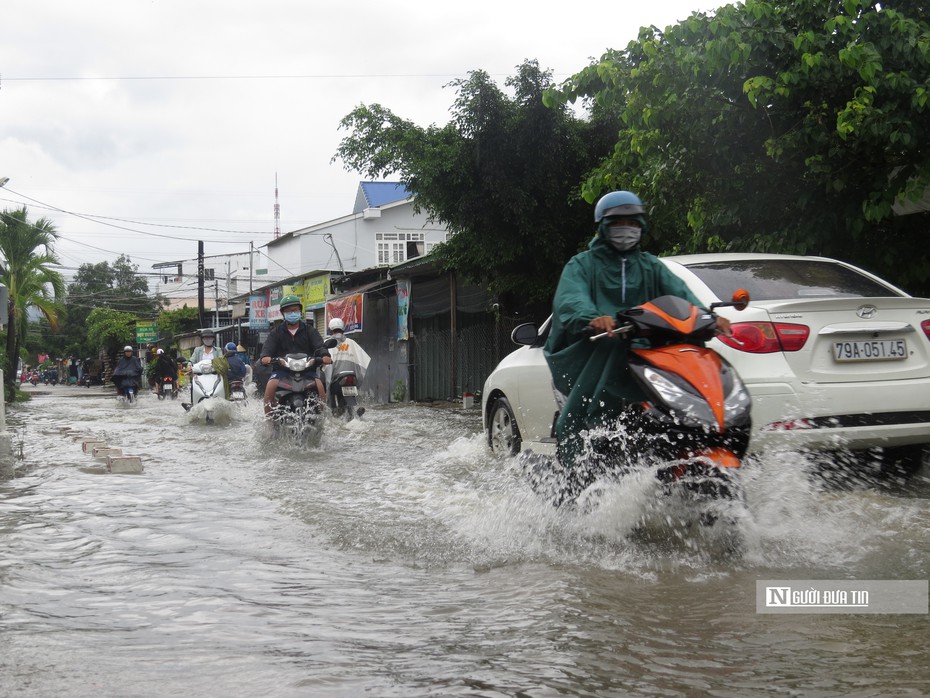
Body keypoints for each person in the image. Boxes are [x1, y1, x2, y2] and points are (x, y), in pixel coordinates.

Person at [543, 190, 731, 469]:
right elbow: (571, 298)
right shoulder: (582, 265)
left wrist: (707, 317)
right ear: (604, 226)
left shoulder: (651, 267)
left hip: (650, 355)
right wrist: (593, 317)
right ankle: (577, 461)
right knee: (586, 400)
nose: (626, 229)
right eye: (619, 223)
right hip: (599, 350)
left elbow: (682, 295)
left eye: (633, 223)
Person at [259, 294, 332, 416]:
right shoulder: (276, 333)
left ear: (300, 311)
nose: (292, 313)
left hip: (307, 370)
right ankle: (269, 421)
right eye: (288, 311)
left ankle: (322, 418)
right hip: (282, 371)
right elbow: (267, 349)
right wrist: (265, 357)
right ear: (283, 314)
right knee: (271, 386)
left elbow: (320, 346)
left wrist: (325, 355)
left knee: (319, 385)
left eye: (295, 310)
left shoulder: (310, 330)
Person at [325, 317, 371, 416]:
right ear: (343, 330)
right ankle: (353, 413)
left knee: (330, 391)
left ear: (330, 330)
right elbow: (364, 360)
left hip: (336, 381)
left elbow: (325, 368)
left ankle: (333, 412)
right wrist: (359, 380)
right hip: (352, 378)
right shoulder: (352, 343)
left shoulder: (327, 343)